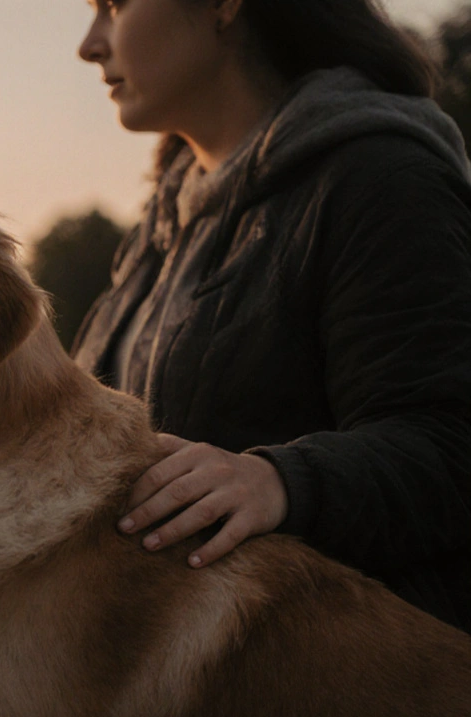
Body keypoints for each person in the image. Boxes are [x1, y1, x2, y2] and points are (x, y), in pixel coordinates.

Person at [72, 0, 471, 632]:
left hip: (339, 661)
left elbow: (450, 443)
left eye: (114, 6)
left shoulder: (381, 179)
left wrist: (277, 481)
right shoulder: (161, 229)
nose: (89, 45)